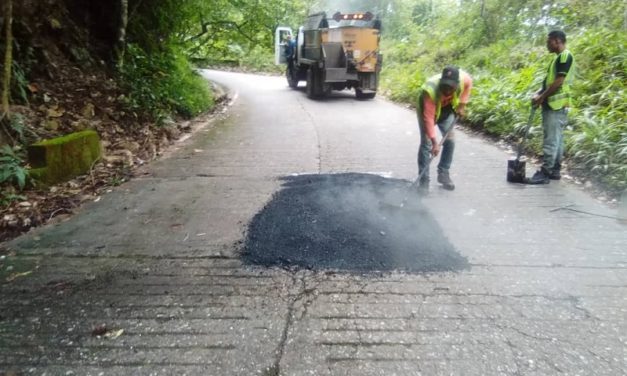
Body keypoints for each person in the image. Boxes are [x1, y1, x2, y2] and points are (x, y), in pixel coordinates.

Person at [528, 30, 575, 184]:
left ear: (557, 41)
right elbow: (550, 81)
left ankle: (546, 172)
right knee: (558, 139)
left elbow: (559, 81)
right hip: (558, 104)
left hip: (556, 105)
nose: (547, 44)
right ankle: (555, 170)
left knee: (551, 139)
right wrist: (539, 92)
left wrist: (542, 97)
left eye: (549, 42)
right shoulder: (559, 58)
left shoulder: (564, 56)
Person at [416, 66, 473, 192]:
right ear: (441, 81)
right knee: (426, 144)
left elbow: (469, 84)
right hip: (427, 110)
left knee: (450, 140)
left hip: (446, 109)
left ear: (456, 84)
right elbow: (429, 118)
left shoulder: (464, 79)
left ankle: (443, 173)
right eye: (444, 86)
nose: (447, 90)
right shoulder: (430, 91)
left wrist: (462, 105)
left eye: (450, 87)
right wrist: (435, 142)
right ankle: (423, 181)